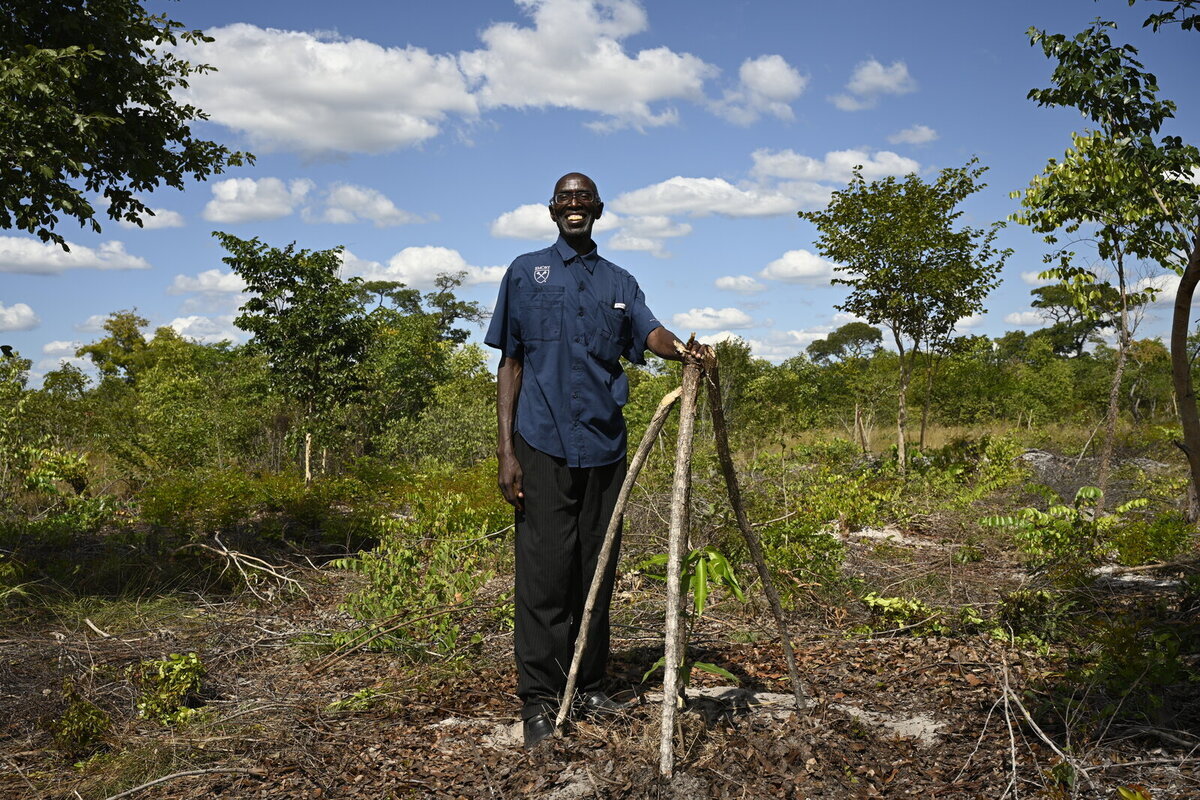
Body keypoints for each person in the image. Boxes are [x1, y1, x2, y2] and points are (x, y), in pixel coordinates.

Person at [485, 172, 704, 748]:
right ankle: (539, 698)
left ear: (598, 210)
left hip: (605, 448)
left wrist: (683, 348)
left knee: (597, 569)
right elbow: (510, 365)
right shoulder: (525, 272)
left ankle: (588, 684)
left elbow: (650, 332)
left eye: (585, 199)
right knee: (545, 574)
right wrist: (507, 452)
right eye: (566, 199)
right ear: (552, 209)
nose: (575, 206)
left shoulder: (619, 281)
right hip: (541, 443)